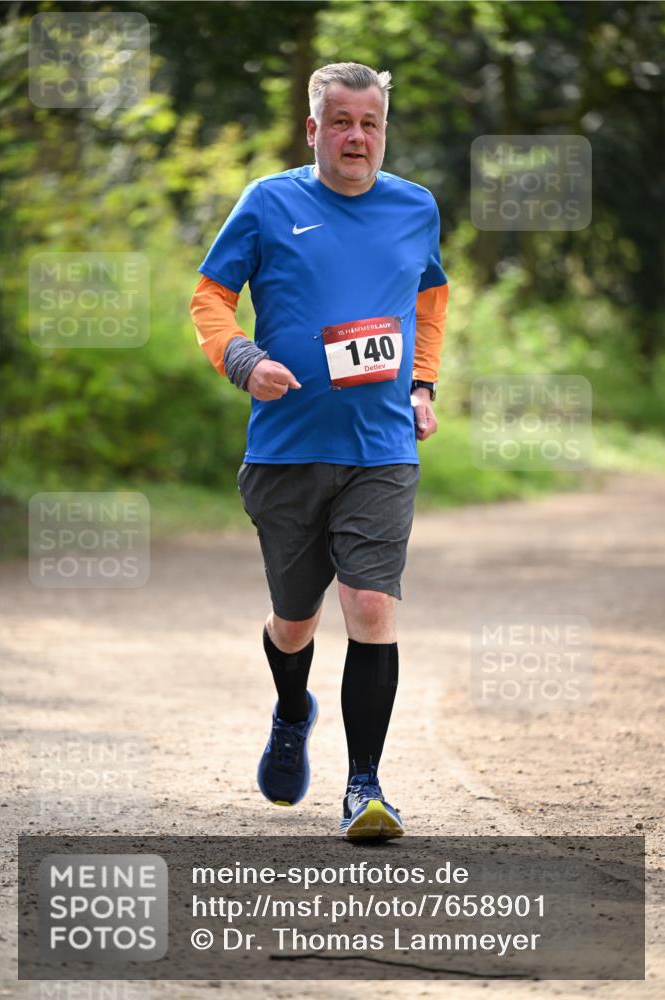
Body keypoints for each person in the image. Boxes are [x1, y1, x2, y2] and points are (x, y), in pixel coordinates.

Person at [190, 61, 448, 841]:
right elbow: (209, 297)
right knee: (294, 621)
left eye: (370, 125)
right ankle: (293, 708)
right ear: (314, 129)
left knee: (370, 605)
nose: (357, 138)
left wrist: (423, 383)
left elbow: (429, 297)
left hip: (381, 447)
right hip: (287, 450)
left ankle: (364, 786)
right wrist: (242, 361)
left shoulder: (414, 207)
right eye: (342, 123)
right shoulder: (270, 202)